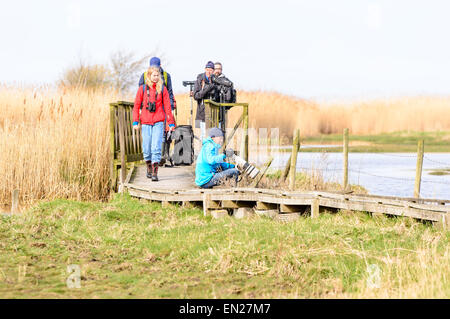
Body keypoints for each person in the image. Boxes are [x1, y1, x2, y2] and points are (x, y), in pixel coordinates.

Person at [133, 66, 175, 182]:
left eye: (158, 76)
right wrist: (135, 121)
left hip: (158, 121)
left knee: (156, 147)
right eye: (154, 75)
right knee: (146, 149)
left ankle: (155, 172)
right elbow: (136, 106)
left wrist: (171, 123)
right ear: (149, 76)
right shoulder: (142, 89)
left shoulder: (163, 89)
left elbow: (167, 106)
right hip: (146, 121)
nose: (156, 78)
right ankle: (148, 167)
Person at [193, 61, 216, 142]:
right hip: (202, 112)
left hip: (214, 113)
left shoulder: (215, 80)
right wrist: (205, 89)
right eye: (207, 69)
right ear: (205, 69)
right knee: (203, 135)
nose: (209, 72)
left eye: (211, 70)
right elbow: (195, 96)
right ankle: (203, 153)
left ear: (213, 71)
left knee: (213, 135)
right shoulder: (200, 79)